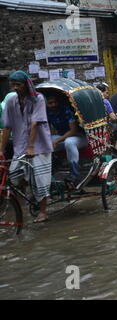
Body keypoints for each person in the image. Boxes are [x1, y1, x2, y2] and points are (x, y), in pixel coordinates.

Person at [0, 71, 53, 223]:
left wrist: (31, 147)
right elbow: (7, 127)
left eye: (18, 84)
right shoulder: (11, 101)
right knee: (14, 175)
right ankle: (29, 196)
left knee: (40, 179)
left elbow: (36, 123)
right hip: (19, 145)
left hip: (39, 146)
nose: (15, 87)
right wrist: (1, 150)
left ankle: (43, 211)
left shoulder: (38, 99)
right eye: (13, 85)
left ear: (26, 84)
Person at [46, 95, 88, 186]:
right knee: (45, 142)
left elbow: (73, 130)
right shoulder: (47, 112)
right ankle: (51, 171)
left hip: (79, 137)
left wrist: (56, 141)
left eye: (55, 102)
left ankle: (74, 174)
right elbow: (47, 130)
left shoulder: (66, 110)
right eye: (50, 103)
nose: (53, 105)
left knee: (69, 142)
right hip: (63, 136)